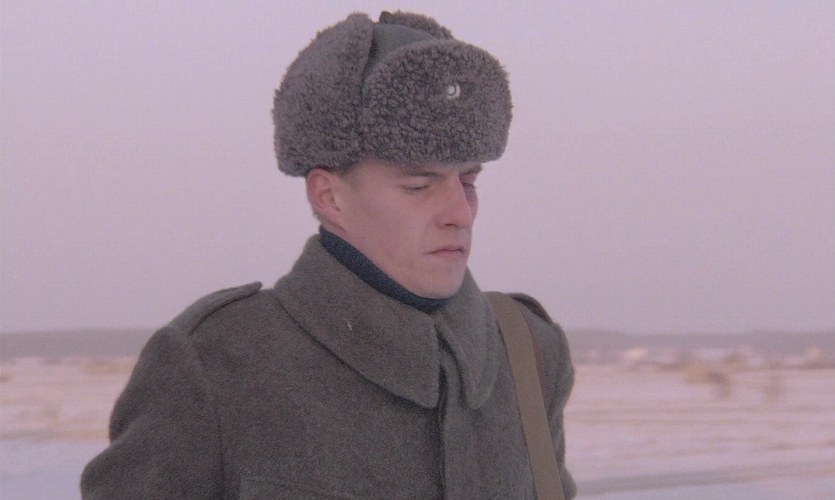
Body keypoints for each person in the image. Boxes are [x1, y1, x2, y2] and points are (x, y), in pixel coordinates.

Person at [81, 10, 575, 499]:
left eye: (468, 181)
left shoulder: (528, 350)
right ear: (329, 197)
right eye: (419, 185)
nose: (460, 213)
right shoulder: (217, 364)